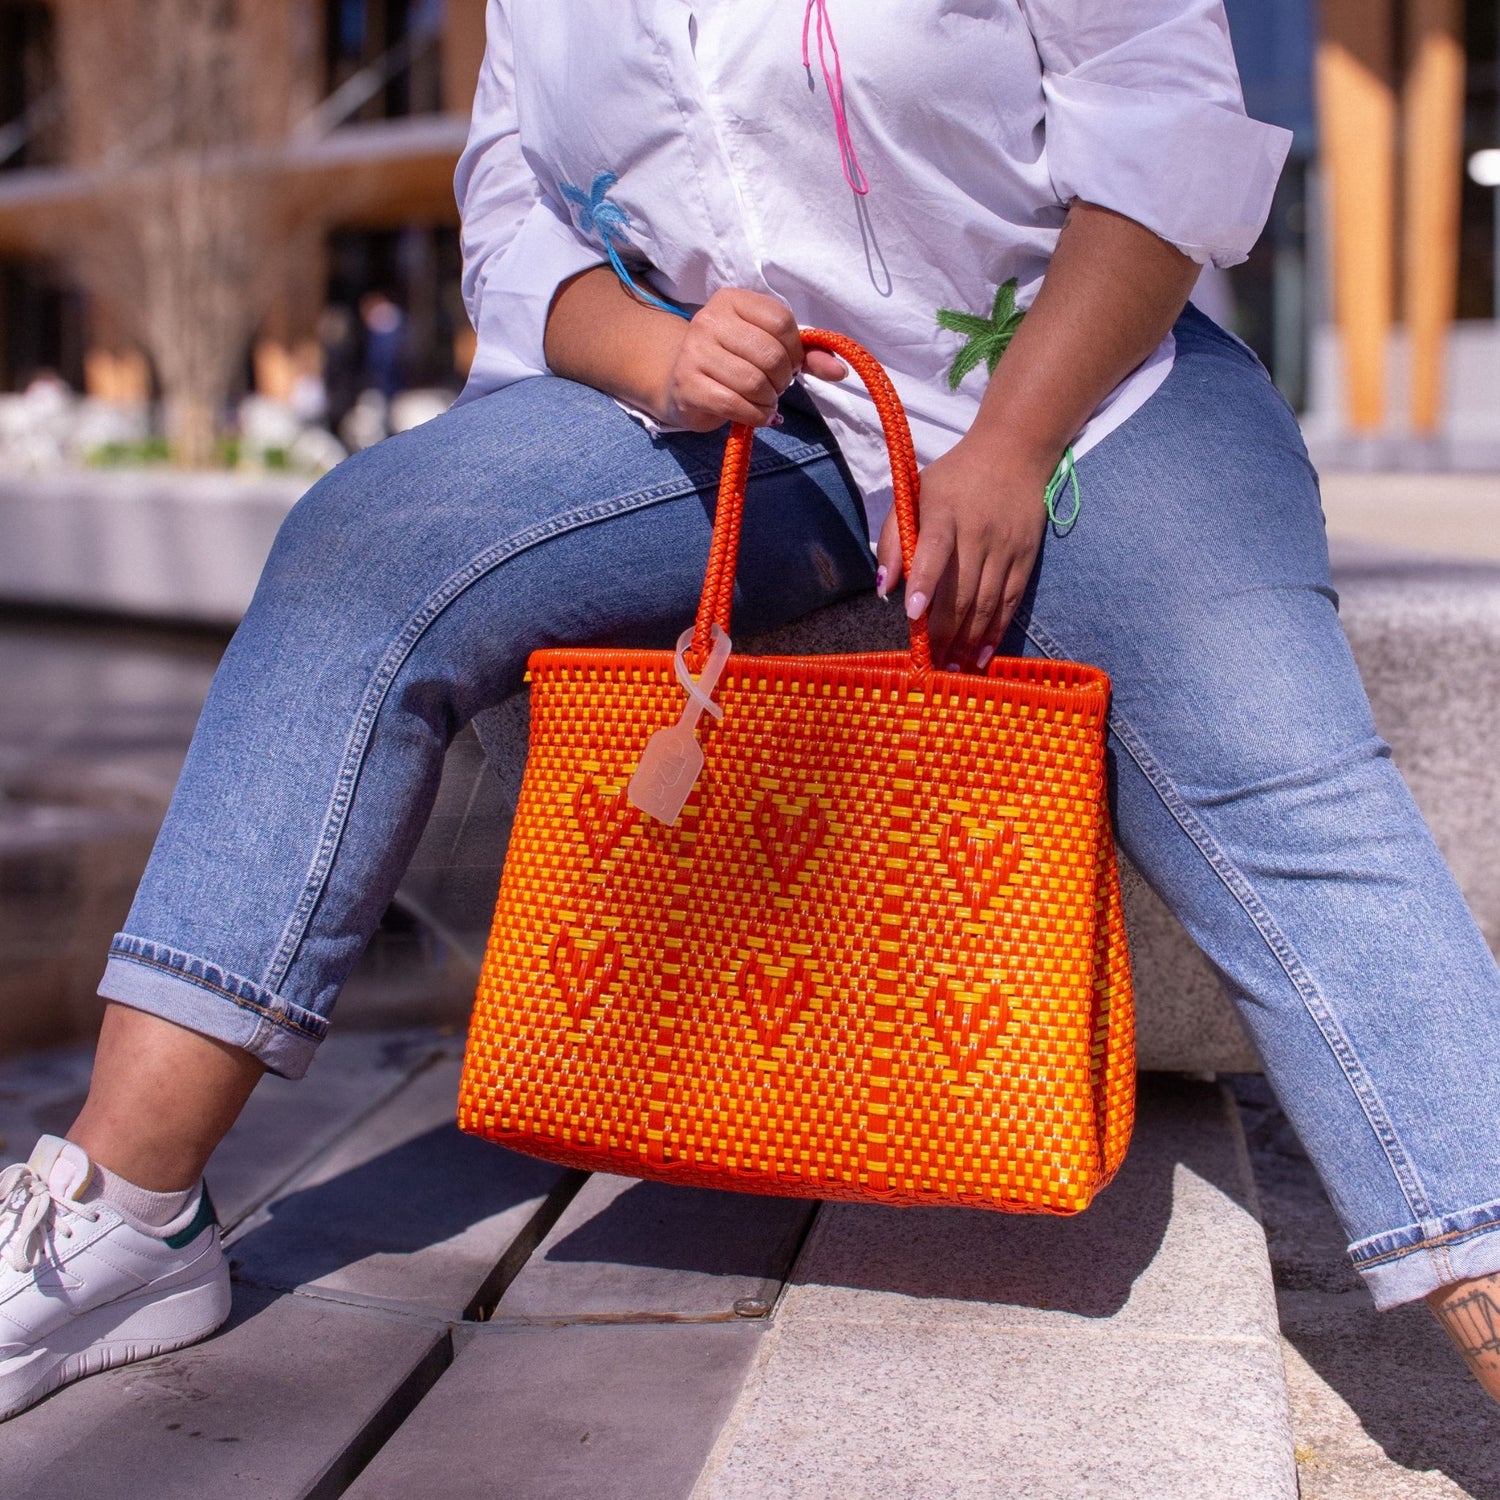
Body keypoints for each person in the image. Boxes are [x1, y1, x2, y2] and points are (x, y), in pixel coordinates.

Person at [4, 0, 1499, 1424]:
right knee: (356, 554)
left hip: (1090, 385)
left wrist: (1012, 439)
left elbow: (1166, 132)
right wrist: (655, 351)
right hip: (744, 432)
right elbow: (515, 219)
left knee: (1278, 770)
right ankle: (126, 1216)